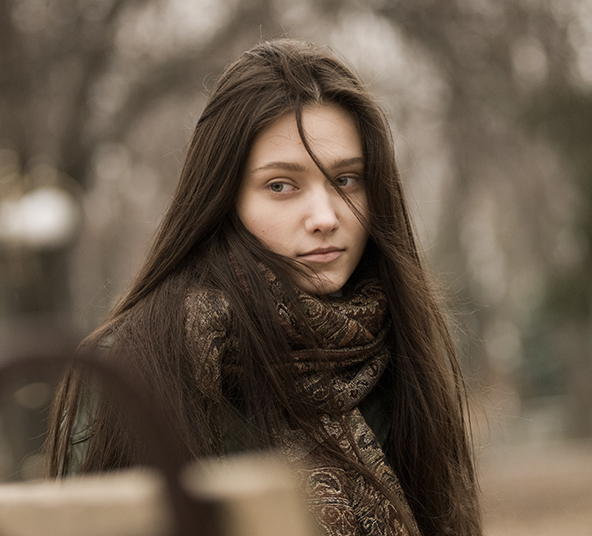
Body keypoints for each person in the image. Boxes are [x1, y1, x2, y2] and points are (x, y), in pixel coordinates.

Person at [46, 38, 482, 536]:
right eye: (281, 185)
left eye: (346, 180)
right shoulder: (137, 361)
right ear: (223, 199)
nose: (325, 218)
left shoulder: (397, 343)